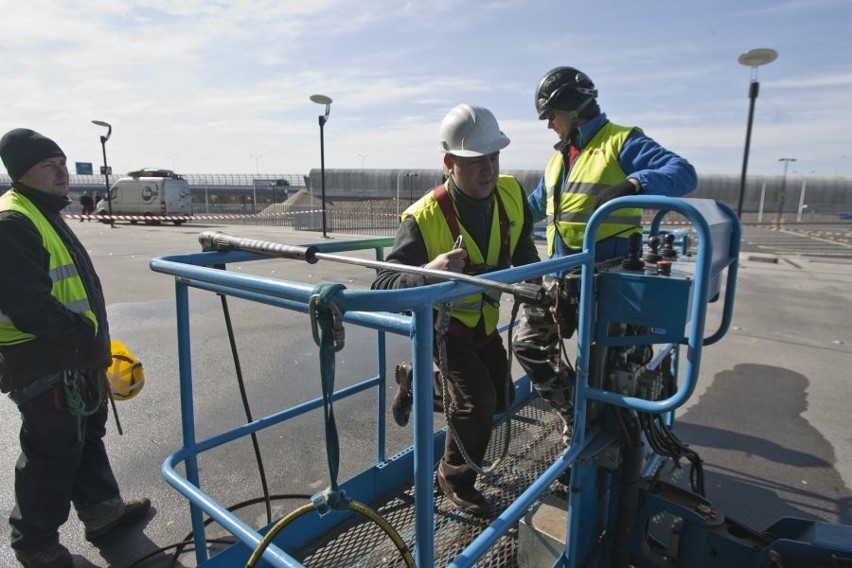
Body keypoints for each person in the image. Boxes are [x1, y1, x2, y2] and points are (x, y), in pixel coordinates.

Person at [512, 66, 698, 442]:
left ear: (572, 110)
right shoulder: (558, 160)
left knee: (606, 365)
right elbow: (534, 206)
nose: (549, 125)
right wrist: (497, 213)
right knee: (528, 345)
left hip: (608, 281)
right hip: (562, 275)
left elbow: (683, 173)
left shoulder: (621, 141)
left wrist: (634, 182)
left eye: (551, 115)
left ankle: (606, 424)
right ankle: (573, 409)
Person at [372, 104, 540, 516]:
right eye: (475, 161)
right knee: (476, 401)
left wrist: (538, 287)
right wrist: (428, 273)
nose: (489, 170)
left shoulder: (513, 195)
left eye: (494, 158)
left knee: (501, 397)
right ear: (449, 164)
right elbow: (381, 286)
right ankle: (453, 475)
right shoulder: (422, 217)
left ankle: (414, 379)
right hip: (445, 330)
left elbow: (525, 254)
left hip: (483, 322)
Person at [0, 128, 151, 567]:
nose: (61, 171)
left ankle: (103, 514)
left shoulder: (42, 212)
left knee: (86, 440)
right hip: (45, 360)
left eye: (62, 161)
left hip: (72, 357)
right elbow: (28, 305)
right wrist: (84, 336)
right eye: (48, 165)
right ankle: (35, 544)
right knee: (51, 453)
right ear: (21, 172)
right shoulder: (13, 221)